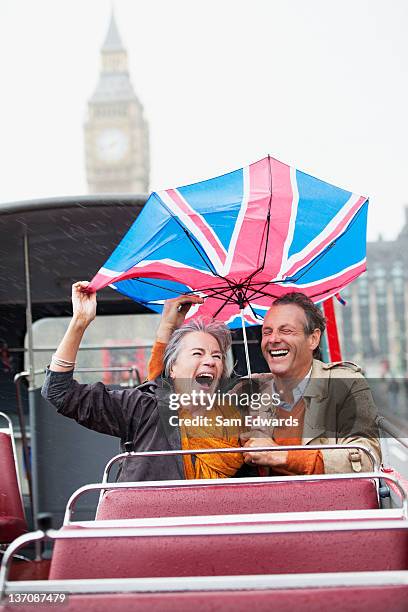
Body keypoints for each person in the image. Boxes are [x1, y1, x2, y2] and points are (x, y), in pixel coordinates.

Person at [148, 292, 382, 475]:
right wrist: (166, 332)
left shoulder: (344, 384)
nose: (273, 340)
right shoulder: (248, 390)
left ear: (313, 338)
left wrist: (281, 456)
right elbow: (173, 402)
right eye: (267, 331)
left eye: (286, 330)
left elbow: (366, 458)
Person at [41, 282, 246, 482]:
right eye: (197, 353)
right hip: (150, 514)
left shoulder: (238, 417)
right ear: (172, 368)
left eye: (217, 356)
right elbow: (60, 392)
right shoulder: (143, 407)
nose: (210, 361)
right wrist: (79, 322)